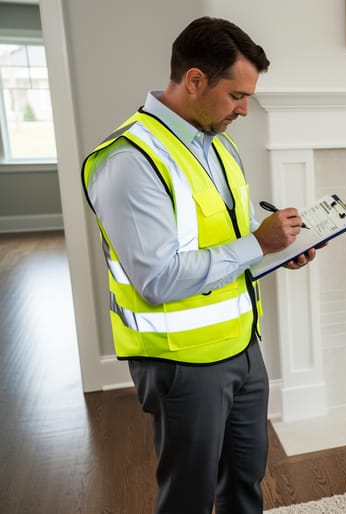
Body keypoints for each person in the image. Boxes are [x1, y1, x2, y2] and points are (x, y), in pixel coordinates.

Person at [81, 17, 312, 514]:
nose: (245, 110)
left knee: (246, 484)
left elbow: (233, 236)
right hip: (181, 364)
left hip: (242, 347)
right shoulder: (130, 161)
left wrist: (280, 249)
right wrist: (256, 245)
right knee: (189, 497)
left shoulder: (217, 144)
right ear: (194, 80)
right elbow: (158, 278)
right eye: (236, 96)